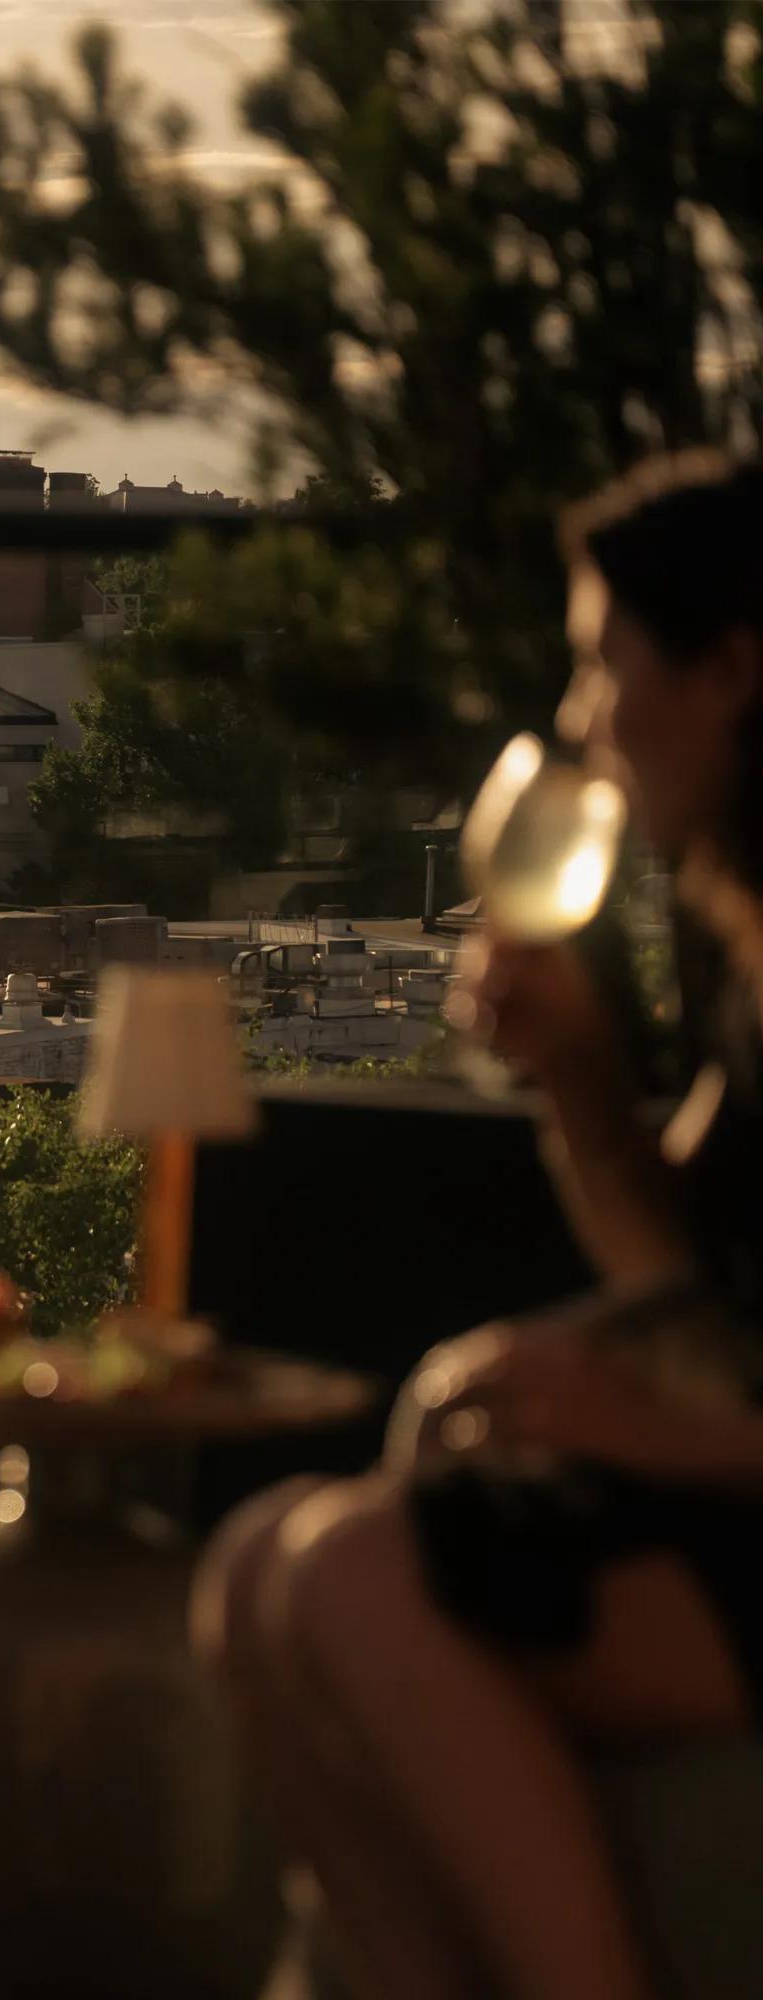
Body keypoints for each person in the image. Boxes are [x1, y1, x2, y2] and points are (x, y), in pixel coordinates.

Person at [192, 453, 763, 2000]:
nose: (581, 716)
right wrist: (577, 1071)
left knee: (351, 1577)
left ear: (731, 670)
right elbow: (678, 1277)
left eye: (603, 663)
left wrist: (638, 1423)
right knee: (252, 1569)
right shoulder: (736, 935)